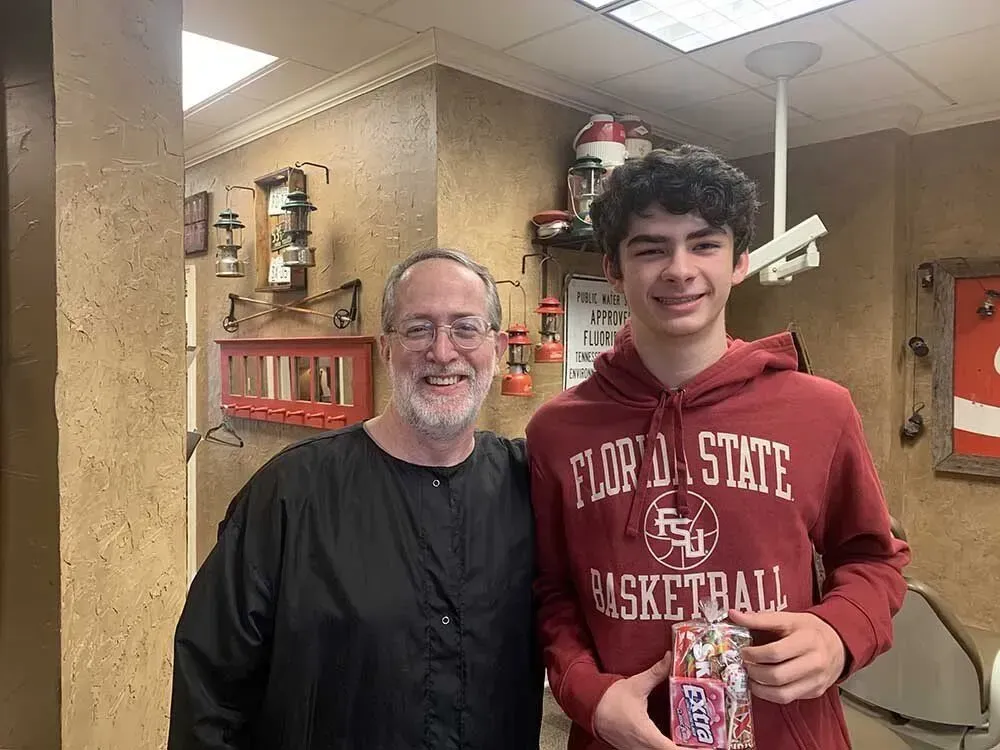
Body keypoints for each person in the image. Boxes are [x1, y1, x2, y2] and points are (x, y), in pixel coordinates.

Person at [525, 146, 911, 750]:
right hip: (624, 737)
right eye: (650, 248)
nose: (679, 269)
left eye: (704, 244)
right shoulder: (555, 431)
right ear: (613, 269)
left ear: (740, 263)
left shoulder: (822, 409)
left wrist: (839, 633)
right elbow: (551, 592)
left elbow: (874, 560)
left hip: (787, 732)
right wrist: (588, 695)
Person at [169, 248, 543, 750]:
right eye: (417, 328)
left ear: (497, 349)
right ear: (387, 348)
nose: (442, 351)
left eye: (465, 328)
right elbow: (210, 691)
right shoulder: (290, 493)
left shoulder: (530, 485)